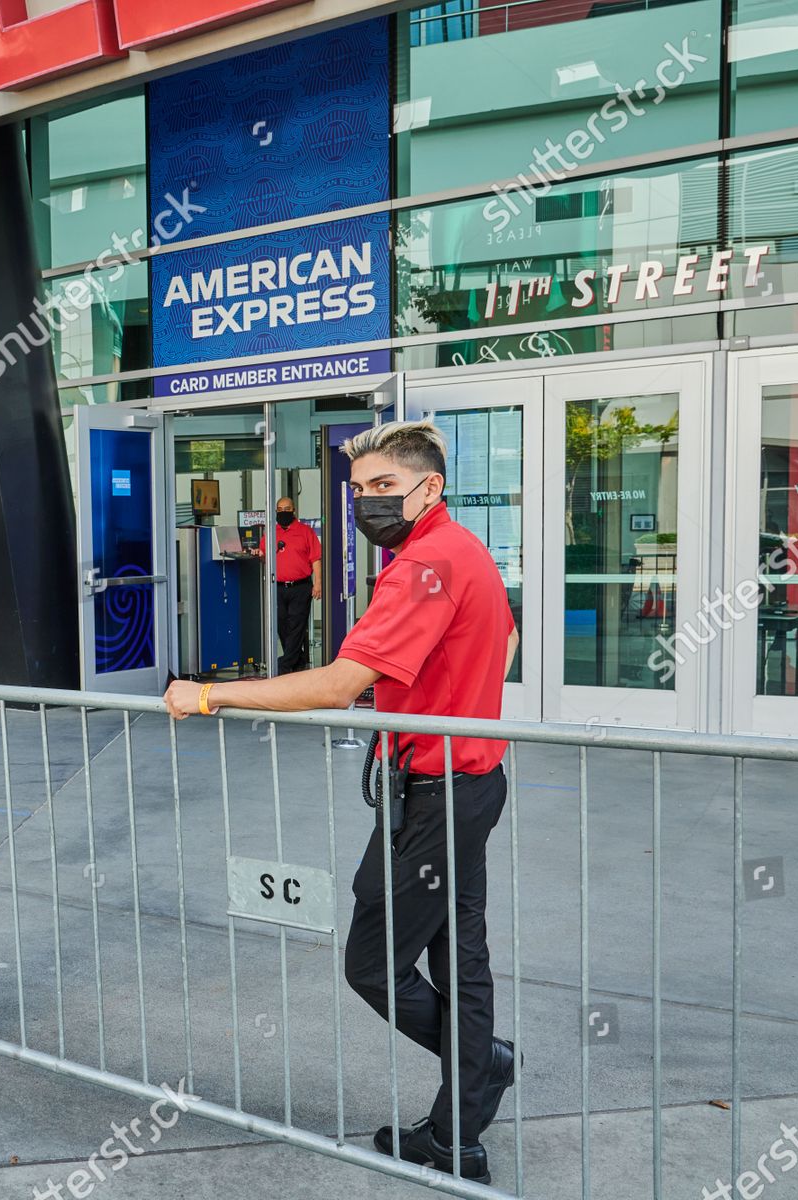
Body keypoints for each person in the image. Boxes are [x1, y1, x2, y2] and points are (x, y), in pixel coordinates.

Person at [164, 420, 518, 1186]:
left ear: (432, 487)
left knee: (373, 962)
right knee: (460, 953)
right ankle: (456, 1134)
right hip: (466, 782)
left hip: (437, 794)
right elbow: (508, 636)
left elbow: (337, 683)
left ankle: (480, 1067)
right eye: (358, 491)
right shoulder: (462, 552)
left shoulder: (423, 564)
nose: (368, 502)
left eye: (384, 487)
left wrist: (210, 693)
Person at [274, 496, 322, 673]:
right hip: (278, 588)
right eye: (280, 509)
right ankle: (298, 658)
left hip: (301, 587)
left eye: (287, 509)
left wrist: (318, 583)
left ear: (294, 511)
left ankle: (286, 664)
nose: (283, 512)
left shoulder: (305, 532)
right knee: (281, 625)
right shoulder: (272, 532)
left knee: (296, 624)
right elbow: (264, 554)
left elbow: (316, 559)